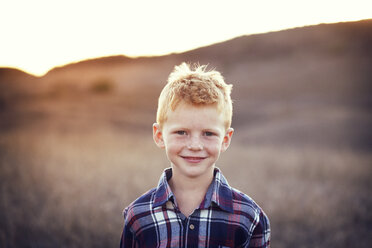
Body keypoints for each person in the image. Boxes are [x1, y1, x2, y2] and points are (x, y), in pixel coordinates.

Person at [120, 63, 270, 247]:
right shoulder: (138, 216)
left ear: (225, 139)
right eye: (181, 132)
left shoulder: (249, 217)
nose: (195, 145)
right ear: (159, 136)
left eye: (208, 133)